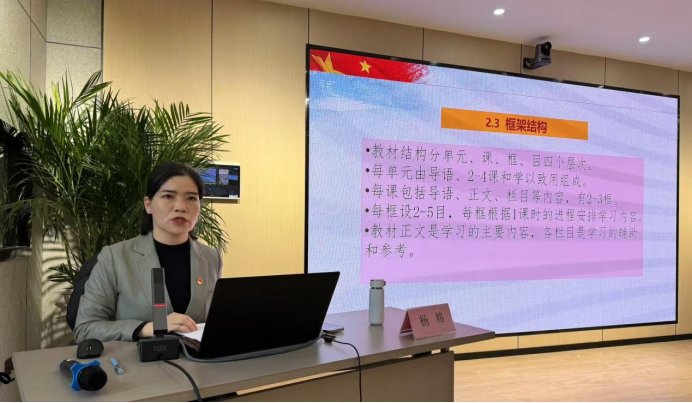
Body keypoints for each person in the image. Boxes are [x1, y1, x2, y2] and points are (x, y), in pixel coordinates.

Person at [74, 162, 223, 343]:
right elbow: (85, 328)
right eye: (168, 196)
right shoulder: (114, 257)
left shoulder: (212, 258)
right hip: (137, 359)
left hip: (196, 359)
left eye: (191, 198)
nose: (181, 207)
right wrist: (145, 328)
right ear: (148, 205)